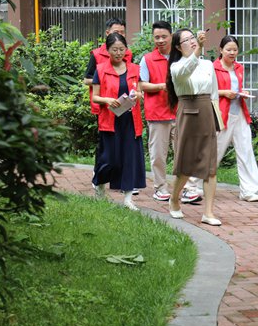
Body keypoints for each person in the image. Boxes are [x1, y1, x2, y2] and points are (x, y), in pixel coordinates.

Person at [184, 35, 258, 202]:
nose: (232, 53)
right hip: (220, 115)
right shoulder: (212, 68)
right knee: (212, 152)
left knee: (246, 150)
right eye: (228, 50)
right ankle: (192, 185)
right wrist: (225, 93)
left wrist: (243, 93)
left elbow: (237, 87)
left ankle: (249, 190)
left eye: (235, 49)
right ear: (221, 50)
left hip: (239, 113)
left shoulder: (239, 68)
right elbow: (204, 90)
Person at [166, 29, 222, 226]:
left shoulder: (207, 64)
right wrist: (198, 49)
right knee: (186, 164)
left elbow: (214, 92)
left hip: (207, 110)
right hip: (188, 112)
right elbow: (186, 71)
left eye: (192, 38)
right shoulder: (176, 67)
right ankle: (174, 199)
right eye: (186, 40)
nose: (191, 42)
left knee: (210, 165)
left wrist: (217, 118)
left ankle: (208, 212)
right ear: (177, 47)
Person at [90, 33, 146, 210]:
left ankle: (128, 198)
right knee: (109, 159)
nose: (118, 53)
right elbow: (95, 96)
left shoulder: (135, 69)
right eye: (114, 49)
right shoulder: (101, 69)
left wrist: (137, 95)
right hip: (110, 120)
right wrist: (107, 100)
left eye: (122, 49)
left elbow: (141, 94)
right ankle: (99, 185)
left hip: (130, 120)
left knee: (129, 158)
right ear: (107, 50)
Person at [138, 21, 184, 202]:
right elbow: (142, 84)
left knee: (183, 152)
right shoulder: (147, 59)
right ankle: (160, 187)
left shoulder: (180, 57)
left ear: (171, 36)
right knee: (158, 154)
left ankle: (184, 187)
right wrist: (161, 86)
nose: (160, 40)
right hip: (157, 114)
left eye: (164, 36)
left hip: (180, 111)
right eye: (156, 37)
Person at [84, 18, 133, 115]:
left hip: (124, 103)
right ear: (107, 33)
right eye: (116, 32)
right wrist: (109, 81)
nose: (119, 35)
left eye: (122, 32)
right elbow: (86, 80)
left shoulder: (128, 54)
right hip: (104, 105)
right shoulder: (96, 54)